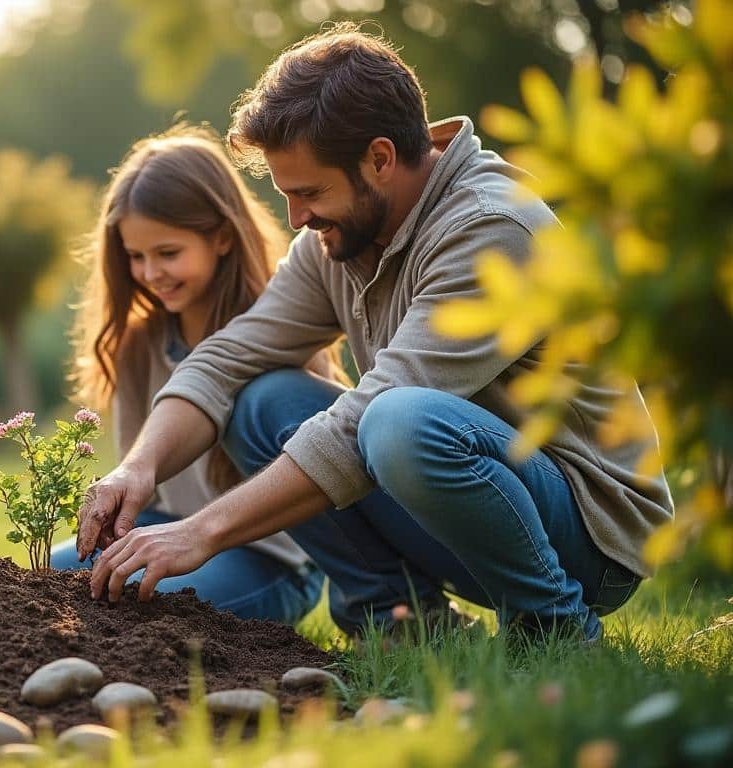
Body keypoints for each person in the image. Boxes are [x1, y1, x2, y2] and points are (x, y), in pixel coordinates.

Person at [77, 26, 674, 644]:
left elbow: (359, 423)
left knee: (397, 422)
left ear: (380, 159)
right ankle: (399, 621)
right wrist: (136, 470)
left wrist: (199, 531)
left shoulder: (490, 230)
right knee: (262, 400)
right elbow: (227, 355)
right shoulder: (339, 237)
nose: (296, 219)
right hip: (472, 508)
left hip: (587, 533)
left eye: (309, 193)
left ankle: (554, 627)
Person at [54, 125, 347, 622]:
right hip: (165, 527)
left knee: (137, 606)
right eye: (136, 256)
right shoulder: (138, 344)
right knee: (46, 580)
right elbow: (144, 489)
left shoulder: (281, 328)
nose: (150, 273)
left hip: (270, 554)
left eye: (168, 253)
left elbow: (324, 483)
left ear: (223, 238)